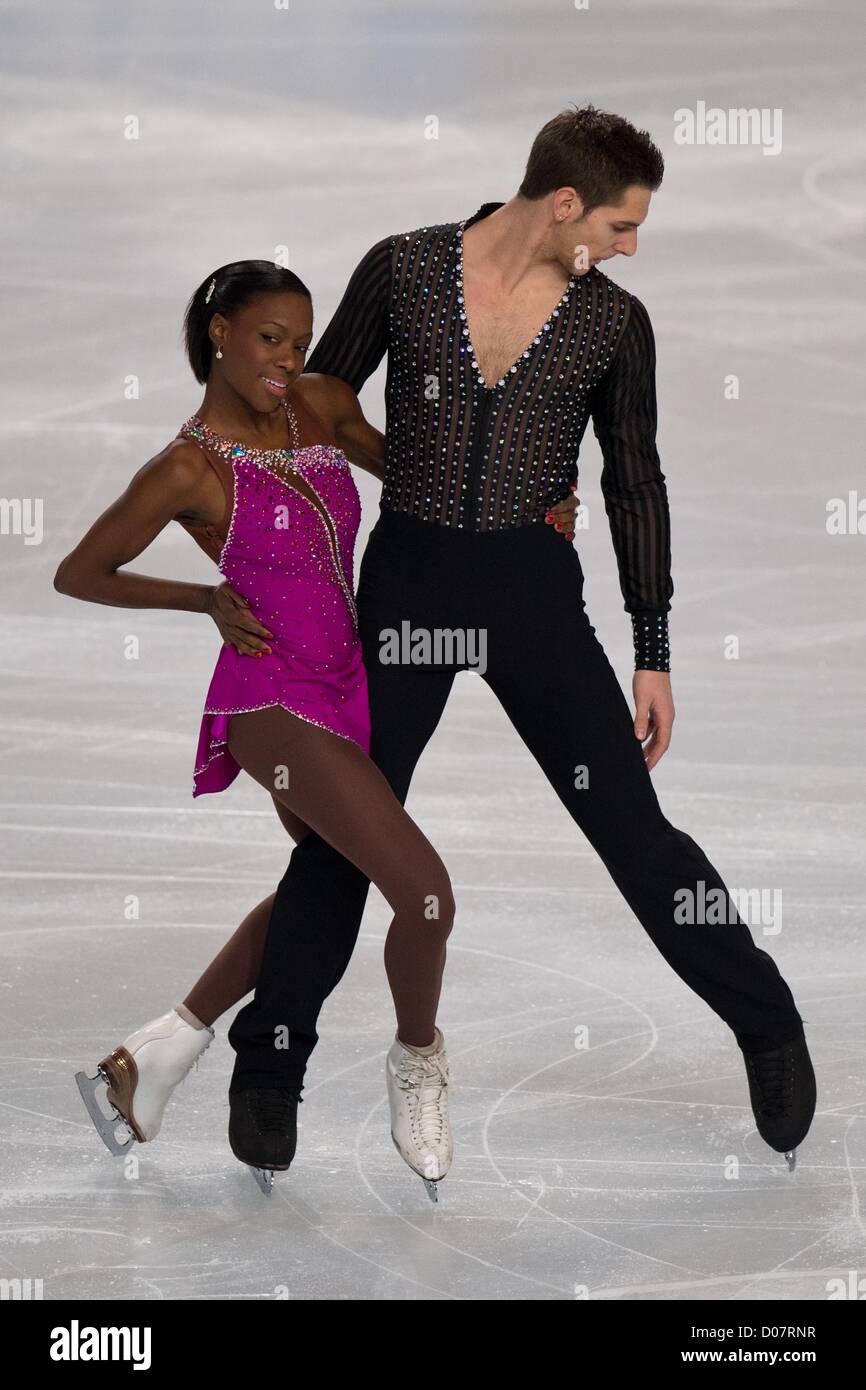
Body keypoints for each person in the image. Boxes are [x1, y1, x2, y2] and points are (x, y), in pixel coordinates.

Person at [220, 104, 816, 1172]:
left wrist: (652, 645)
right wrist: (388, 479)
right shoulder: (402, 271)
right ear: (562, 204)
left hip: (530, 600)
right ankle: (267, 1065)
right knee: (347, 834)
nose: (629, 250)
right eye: (621, 226)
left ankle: (766, 1022)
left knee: (636, 837)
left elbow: (634, 478)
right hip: (406, 587)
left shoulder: (609, 324)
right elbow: (314, 398)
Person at [54, 259, 575, 1196]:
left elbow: (424, 478)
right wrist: (205, 597)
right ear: (219, 332)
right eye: (268, 340)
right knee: (424, 896)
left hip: (350, 685)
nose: (286, 360)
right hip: (269, 699)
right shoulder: (187, 467)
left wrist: (528, 503)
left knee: (321, 886)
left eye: (298, 342)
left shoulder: (323, 405)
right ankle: (418, 1060)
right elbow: (81, 572)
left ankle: (152, 1056)